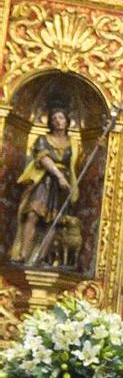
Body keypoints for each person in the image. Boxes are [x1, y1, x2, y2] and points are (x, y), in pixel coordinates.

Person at [11, 104, 80, 269]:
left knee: (54, 222)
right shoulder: (43, 139)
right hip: (45, 181)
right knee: (33, 215)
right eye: (54, 118)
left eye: (61, 118)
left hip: (63, 187)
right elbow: (43, 158)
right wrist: (59, 176)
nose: (58, 121)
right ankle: (22, 254)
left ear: (67, 121)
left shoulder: (73, 143)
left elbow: (77, 163)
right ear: (50, 122)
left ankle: (40, 258)